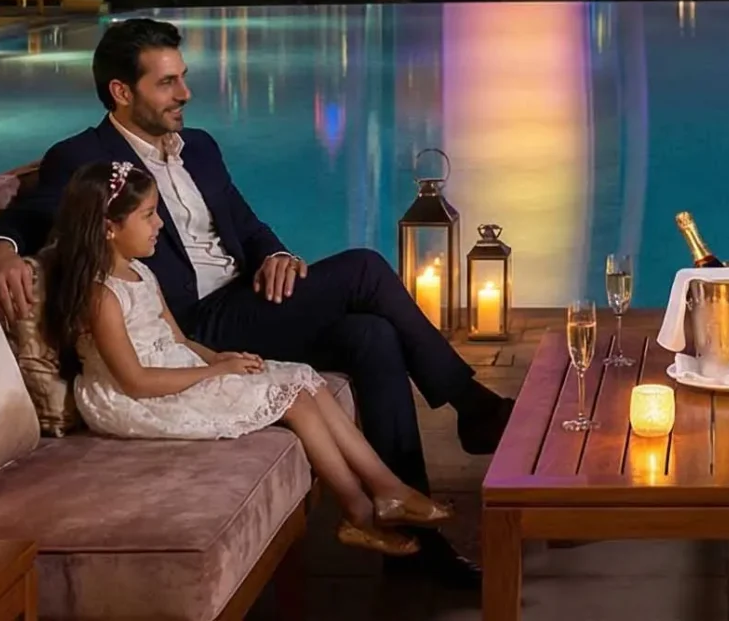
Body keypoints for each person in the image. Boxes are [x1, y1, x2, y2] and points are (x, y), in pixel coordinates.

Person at [0, 18, 509, 586]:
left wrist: (276, 254)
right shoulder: (84, 157)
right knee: (365, 268)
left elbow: (248, 226)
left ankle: (414, 548)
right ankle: (471, 406)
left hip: (246, 300)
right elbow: (30, 214)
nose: (185, 93)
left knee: (371, 336)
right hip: (191, 326)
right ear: (121, 92)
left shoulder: (201, 148)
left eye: (183, 77)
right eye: (167, 83)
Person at [43, 161, 455, 557]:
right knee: (294, 400)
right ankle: (357, 512)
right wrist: (216, 372)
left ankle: (386, 488)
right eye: (149, 215)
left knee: (305, 379)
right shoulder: (103, 296)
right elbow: (134, 381)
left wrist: (219, 357)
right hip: (135, 398)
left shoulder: (142, 273)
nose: (160, 225)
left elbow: (177, 338)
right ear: (109, 228)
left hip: (174, 371)